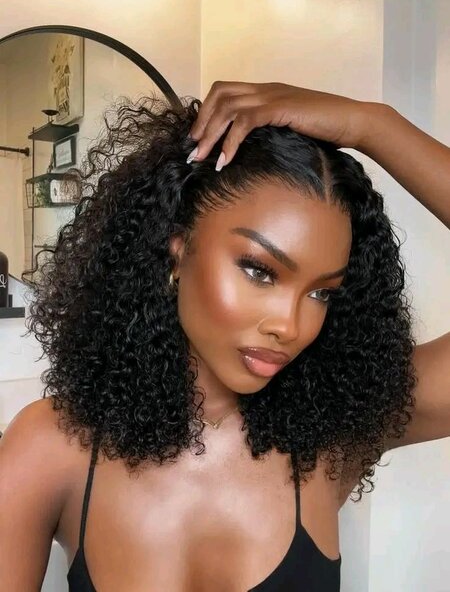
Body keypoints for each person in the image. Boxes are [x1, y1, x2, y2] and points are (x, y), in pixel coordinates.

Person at [0, 81, 449, 591]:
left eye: (321, 293)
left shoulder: (330, 431)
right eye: (260, 270)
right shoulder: (52, 446)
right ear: (177, 249)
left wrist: (372, 124)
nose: (290, 325)